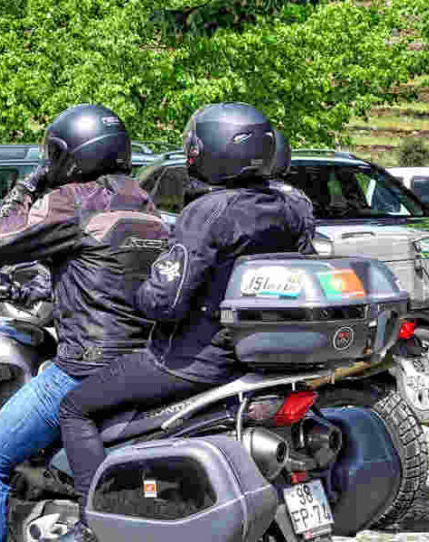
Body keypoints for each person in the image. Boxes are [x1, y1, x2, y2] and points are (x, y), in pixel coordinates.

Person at [56, 103, 317, 541]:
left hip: (189, 361)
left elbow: (165, 302)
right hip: (254, 357)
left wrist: (138, 291)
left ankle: (90, 523)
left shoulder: (209, 211)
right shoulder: (290, 207)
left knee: (74, 408)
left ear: (210, 149)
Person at [0, 104, 169, 542]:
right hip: (140, 366)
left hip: (82, 368)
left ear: (68, 153)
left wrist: (32, 180)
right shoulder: (144, 203)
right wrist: (45, 286)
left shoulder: (73, 200)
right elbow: (105, 273)